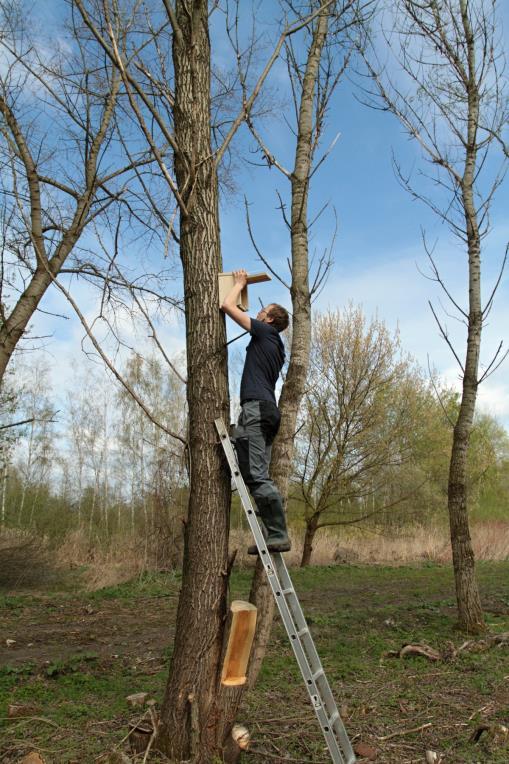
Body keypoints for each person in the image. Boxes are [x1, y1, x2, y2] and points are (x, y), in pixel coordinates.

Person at [221, 269, 291, 554]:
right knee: (254, 467)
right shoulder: (274, 344)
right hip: (264, 412)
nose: (259, 313)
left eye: (263, 311)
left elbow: (227, 306)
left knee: (257, 475)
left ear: (270, 320)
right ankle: (271, 533)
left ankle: (277, 534)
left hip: (258, 411)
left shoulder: (266, 332)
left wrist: (238, 284)